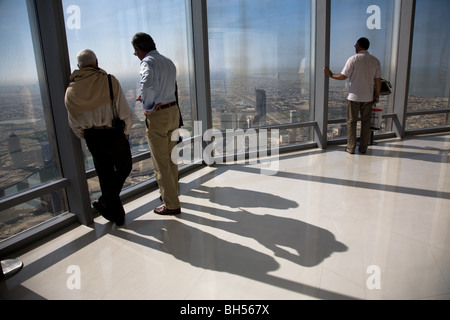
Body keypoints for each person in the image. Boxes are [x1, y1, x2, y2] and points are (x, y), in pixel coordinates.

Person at [64, 49, 134, 226]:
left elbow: (74, 124)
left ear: (78, 66)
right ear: (96, 62)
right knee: (125, 167)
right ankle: (105, 201)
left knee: (105, 176)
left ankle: (117, 216)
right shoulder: (109, 81)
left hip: (92, 137)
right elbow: (124, 112)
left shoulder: (71, 91)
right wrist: (126, 130)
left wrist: (86, 135)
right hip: (113, 134)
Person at [132, 32, 181, 215]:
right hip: (173, 111)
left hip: (159, 116)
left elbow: (146, 85)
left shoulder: (147, 62)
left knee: (161, 162)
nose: (136, 55)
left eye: (135, 52)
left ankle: (171, 204)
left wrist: (148, 106)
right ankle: (171, 193)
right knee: (171, 158)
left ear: (139, 49)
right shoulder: (168, 61)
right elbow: (167, 88)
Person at [324, 37, 382, 154]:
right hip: (368, 97)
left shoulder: (353, 59)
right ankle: (363, 147)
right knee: (366, 123)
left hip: (354, 97)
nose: (355, 47)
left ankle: (351, 147)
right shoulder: (375, 60)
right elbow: (378, 80)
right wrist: (376, 94)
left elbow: (343, 76)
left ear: (359, 46)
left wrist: (331, 75)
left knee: (351, 122)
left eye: (355, 45)